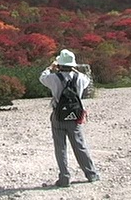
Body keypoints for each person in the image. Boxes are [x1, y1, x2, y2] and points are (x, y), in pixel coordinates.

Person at [39, 49, 99, 187]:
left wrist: (50, 67)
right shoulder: (81, 79)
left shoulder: (53, 78)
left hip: (58, 116)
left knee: (60, 147)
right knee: (80, 146)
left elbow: (42, 77)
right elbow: (88, 79)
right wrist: (74, 70)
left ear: (59, 64)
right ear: (73, 65)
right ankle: (91, 174)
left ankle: (64, 177)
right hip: (75, 117)